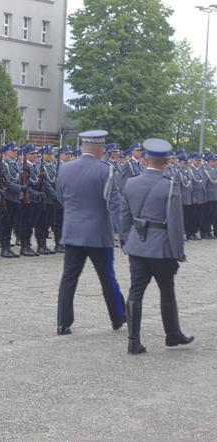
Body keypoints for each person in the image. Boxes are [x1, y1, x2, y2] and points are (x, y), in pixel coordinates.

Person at [120, 138, 194, 354]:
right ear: (166, 161)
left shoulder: (131, 183)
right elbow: (175, 223)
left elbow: (123, 218)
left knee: (135, 292)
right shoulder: (169, 185)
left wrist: (127, 240)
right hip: (161, 248)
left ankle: (133, 341)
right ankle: (172, 335)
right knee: (167, 291)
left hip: (137, 245)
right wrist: (178, 252)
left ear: (145, 160)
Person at [56, 130, 126, 335]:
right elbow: (114, 205)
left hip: (72, 232)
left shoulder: (65, 168)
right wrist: (124, 234)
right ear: (100, 149)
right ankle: (117, 317)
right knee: (107, 277)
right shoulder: (106, 170)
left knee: (69, 278)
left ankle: (63, 323)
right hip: (98, 234)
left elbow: (61, 198)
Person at [0, 143, 23, 258]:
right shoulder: (4, 164)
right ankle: (4, 247)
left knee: (11, 223)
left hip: (15, 198)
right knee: (5, 223)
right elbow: (7, 182)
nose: (15, 152)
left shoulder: (16, 164)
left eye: (16, 151)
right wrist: (20, 188)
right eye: (13, 151)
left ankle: (8, 246)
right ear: (7, 152)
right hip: (8, 197)